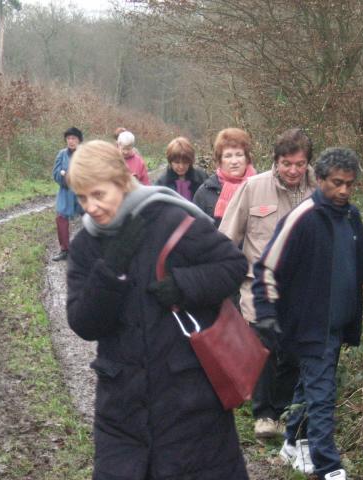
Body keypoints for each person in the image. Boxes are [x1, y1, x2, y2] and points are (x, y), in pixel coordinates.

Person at [66, 140, 249, 480]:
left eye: (98, 194)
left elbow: (233, 266)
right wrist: (111, 272)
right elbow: (82, 323)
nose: (90, 207)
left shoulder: (171, 219)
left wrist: (184, 285)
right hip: (122, 408)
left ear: (122, 181)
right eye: (82, 198)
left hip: (189, 401)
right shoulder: (86, 246)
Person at [252, 148, 363, 480]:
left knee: (310, 387)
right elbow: (266, 268)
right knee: (322, 395)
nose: (343, 191)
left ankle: (292, 445)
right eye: (337, 183)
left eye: (349, 184)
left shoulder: (351, 218)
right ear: (320, 179)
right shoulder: (303, 218)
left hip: (337, 325)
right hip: (308, 324)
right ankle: (328, 467)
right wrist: (266, 314)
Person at [219, 127, 315, 439]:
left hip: (303, 288)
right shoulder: (253, 188)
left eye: (300, 164)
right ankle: (264, 414)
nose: (293, 170)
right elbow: (226, 236)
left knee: (293, 352)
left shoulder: (319, 188)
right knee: (264, 347)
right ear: (275, 161)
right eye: (287, 163)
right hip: (259, 287)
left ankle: (287, 409)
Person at [193, 127, 257, 227]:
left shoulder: (261, 186)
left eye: (239, 155)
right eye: (228, 156)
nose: (234, 161)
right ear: (220, 161)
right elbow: (196, 232)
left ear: (247, 158)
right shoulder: (204, 192)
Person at [52, 127, 84, 261]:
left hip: (82, 193)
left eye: (74, 138)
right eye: (69, 138)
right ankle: (65, 250)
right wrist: (65, 178)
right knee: (61, 218)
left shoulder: (85, 154)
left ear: (79, 140)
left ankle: (88, 250)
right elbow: (55, 173)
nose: (71, 141)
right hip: (65, 192)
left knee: (90, 218)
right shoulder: (61, 154)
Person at [154, 136, 208, 201]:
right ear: (170, 162)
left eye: (185, 162)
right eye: (177, 162)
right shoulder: (162, 182)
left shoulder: (201, 177)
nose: (181, 166)